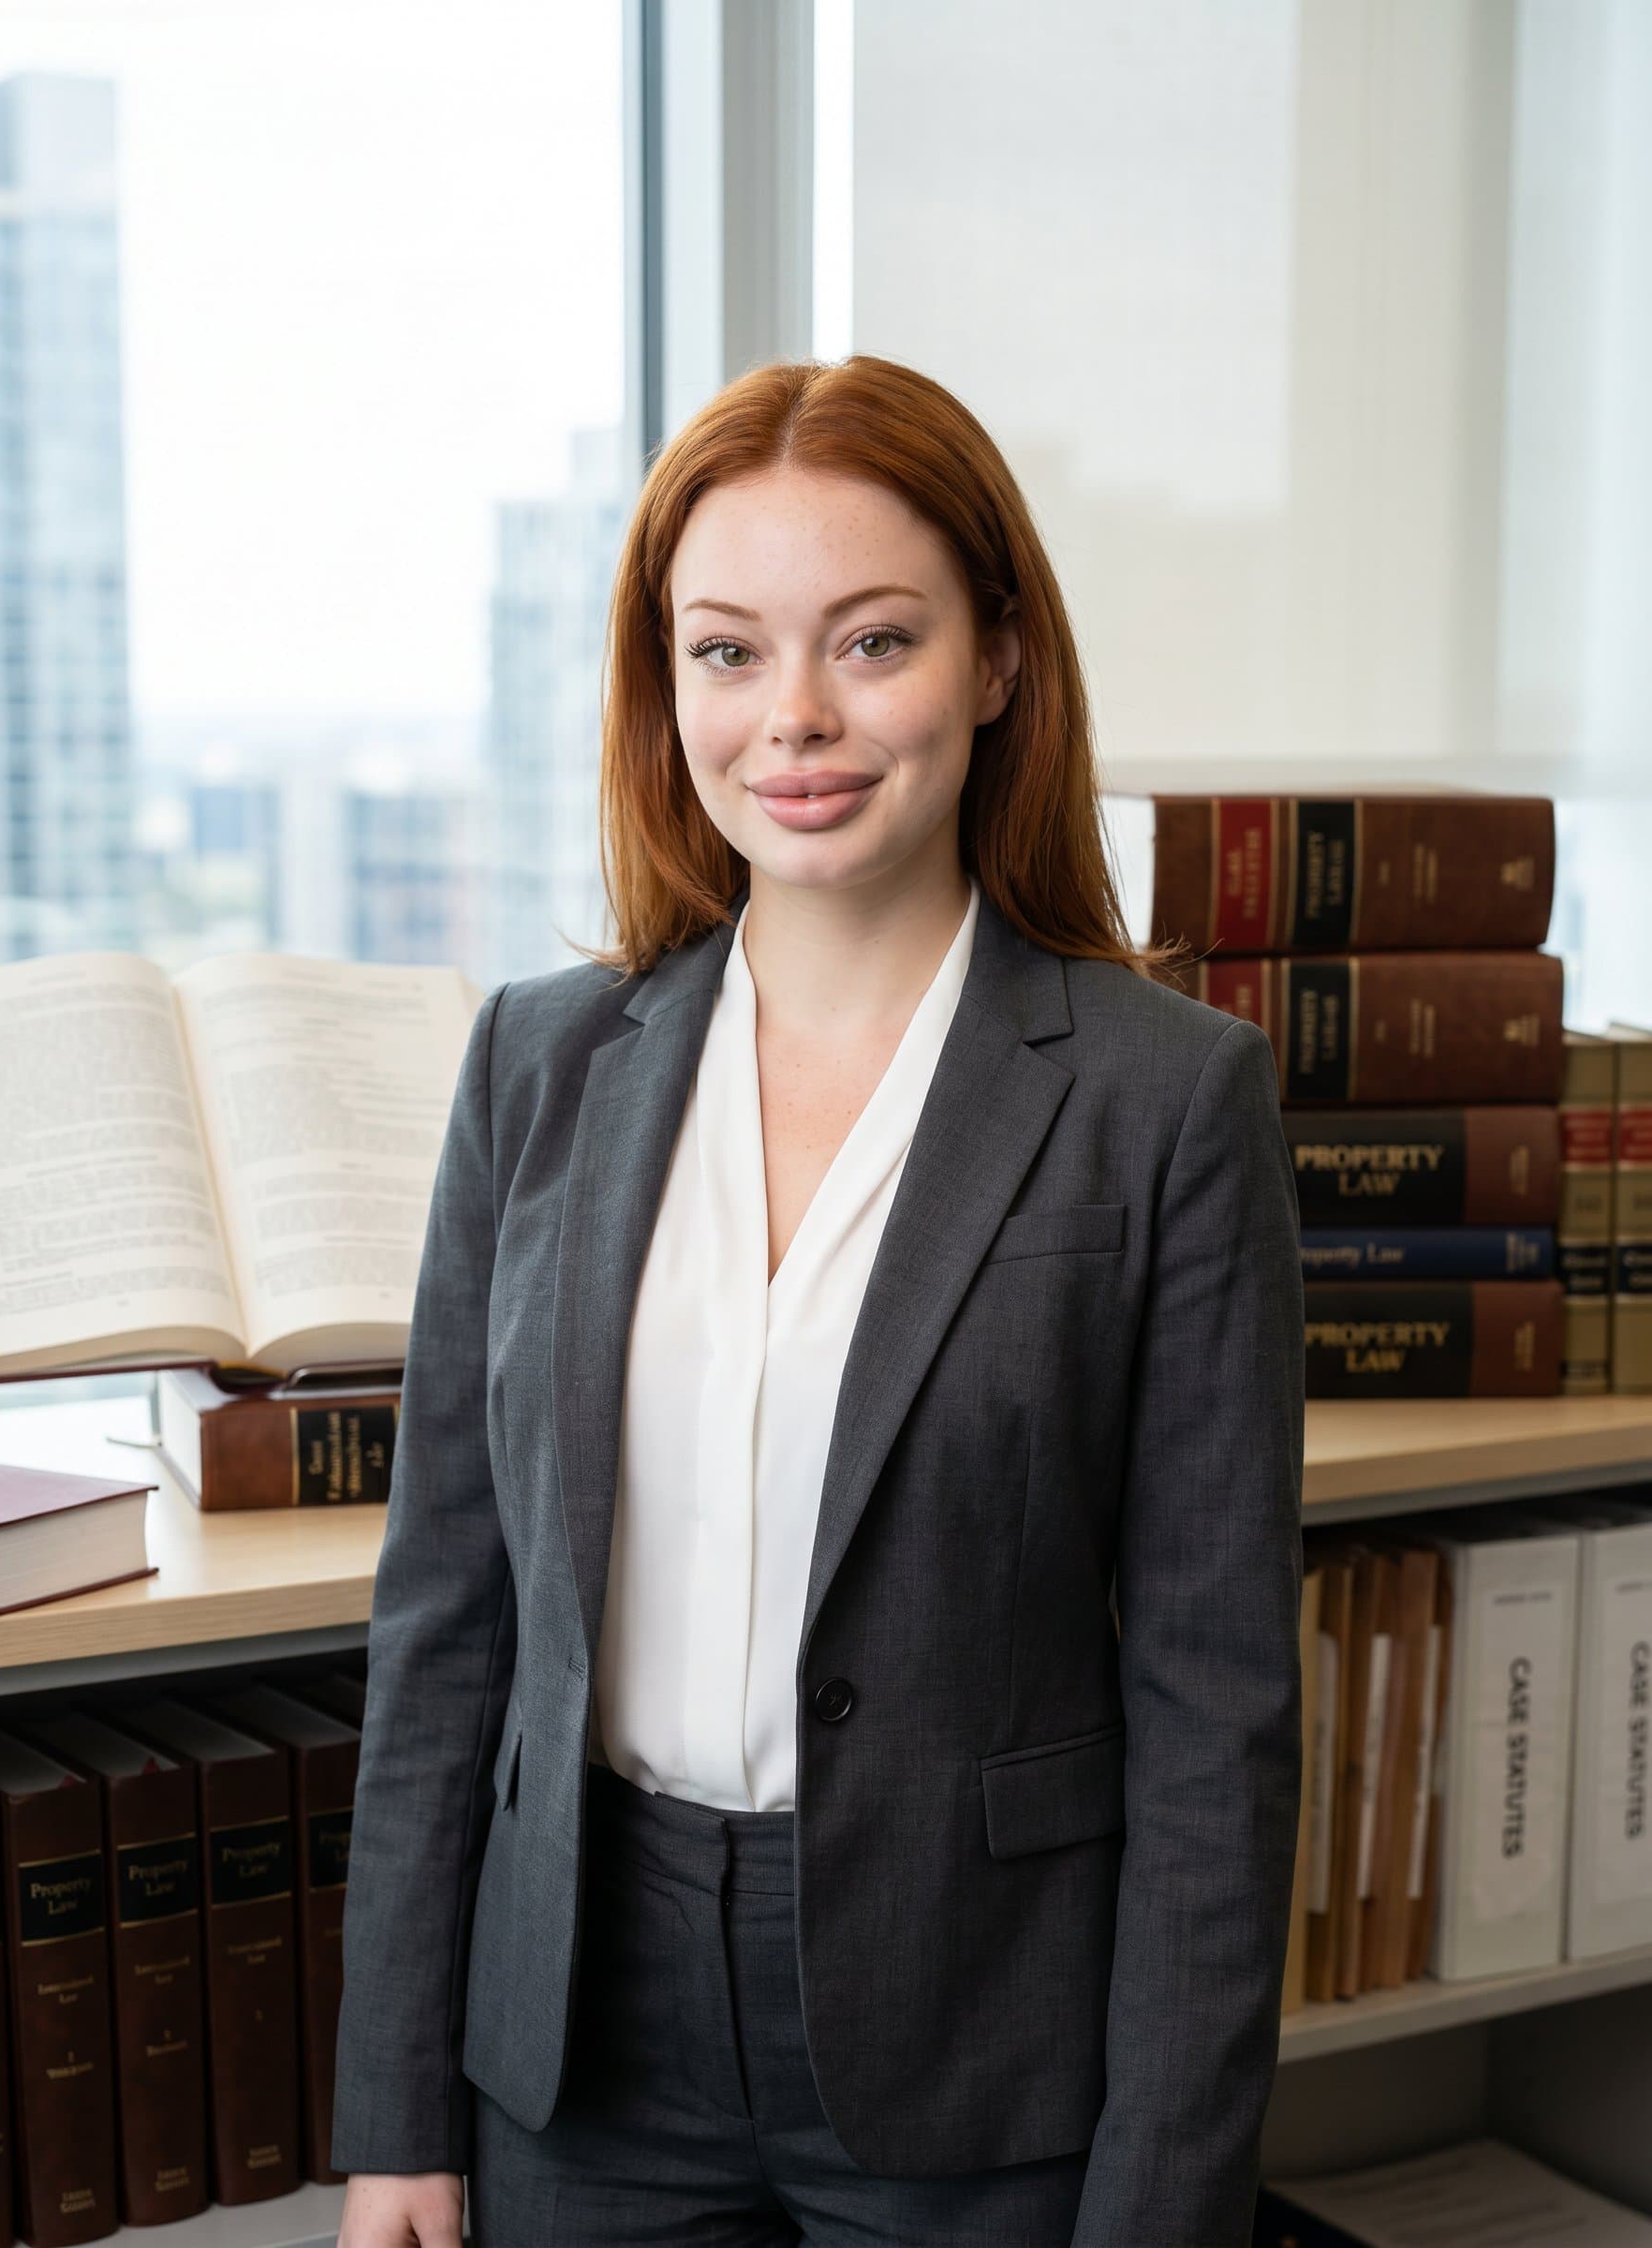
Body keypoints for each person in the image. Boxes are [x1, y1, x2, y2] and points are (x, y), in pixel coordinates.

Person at [332, 353, 1305, 2248]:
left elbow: (1214, 1717)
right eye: (725, 652)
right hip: (579, 2034)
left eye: (870, 642)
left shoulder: (1162, 1100)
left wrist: (1163, 2204)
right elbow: (445, 1625)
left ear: (998, 658)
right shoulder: (535, 1069)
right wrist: (396, 2116)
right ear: (662, 682)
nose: (793, 719)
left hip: (979, 2028)